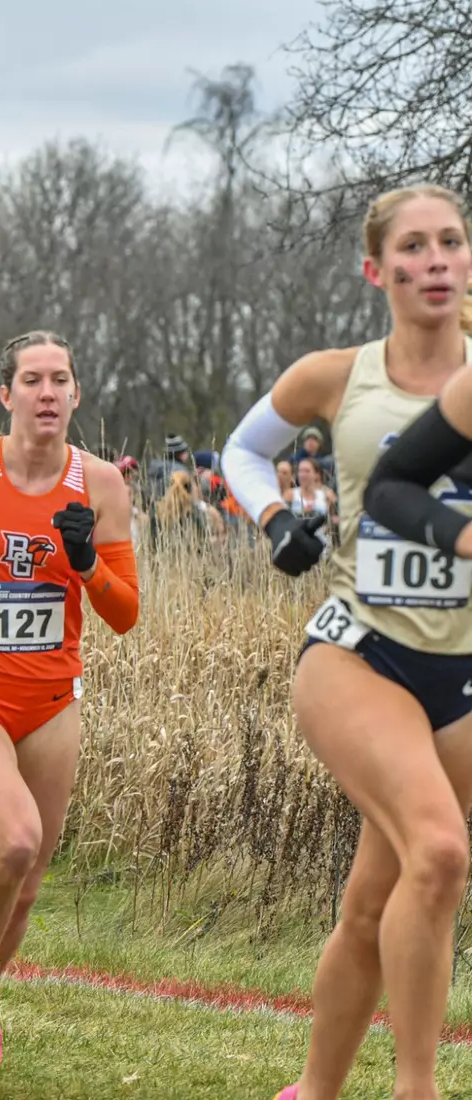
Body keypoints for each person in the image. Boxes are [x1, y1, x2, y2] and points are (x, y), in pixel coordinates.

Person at [218, 183, 472, 1100]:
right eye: (413, 246)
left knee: (378, 898)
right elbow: (239, 453)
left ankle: (312, 1092)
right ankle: (419, 1090)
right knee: (440, 851)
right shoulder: (337, 373)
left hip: (462, 669)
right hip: (357, 650)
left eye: (451, 242)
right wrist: (278, 519)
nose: (434, 259)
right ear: (378, 270)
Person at [0, 330, 138, 1097]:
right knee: (14, 840)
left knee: (30, 883)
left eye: (61, 380)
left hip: (52, 699)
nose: (48, 393)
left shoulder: (102, 484)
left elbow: (126, 614)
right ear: (5, 393)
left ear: (77, 394)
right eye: (33, 380)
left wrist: (86, 568)